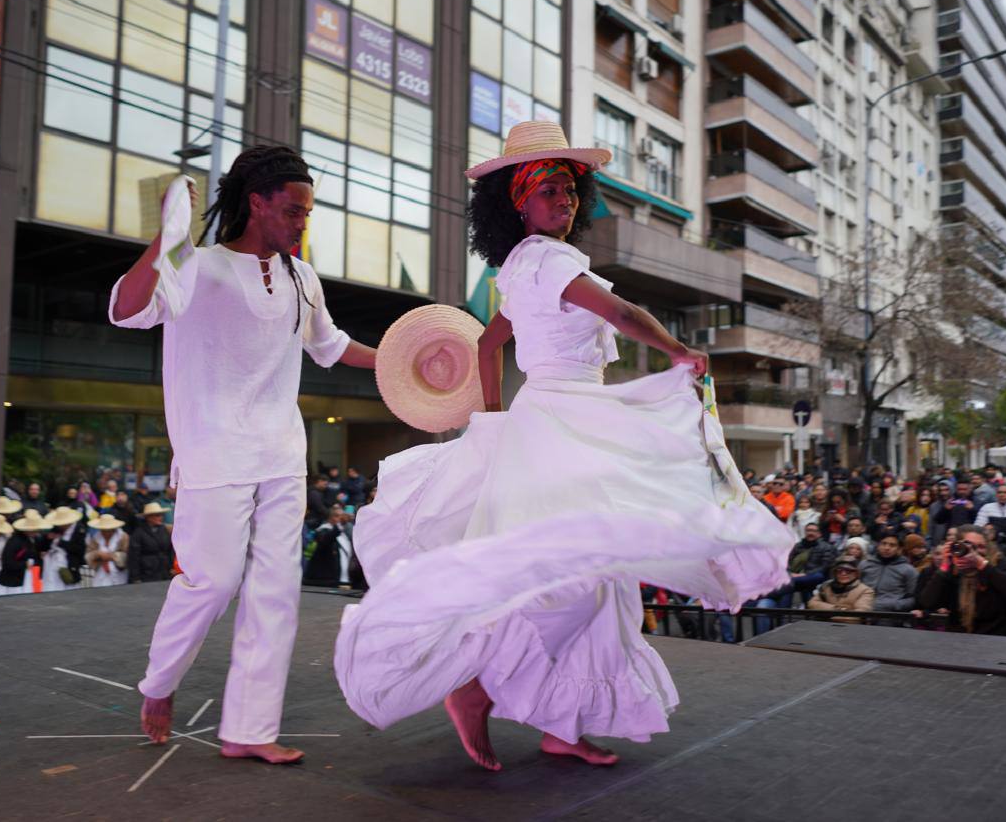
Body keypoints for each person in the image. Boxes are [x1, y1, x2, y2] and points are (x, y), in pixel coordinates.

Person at [333, 122, 793, 771]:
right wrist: (679, 351)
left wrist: (494, 422)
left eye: (571, 190)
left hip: (555, 421)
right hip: (561, 422)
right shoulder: (547, 262)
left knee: (594, 577)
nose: (566, 200)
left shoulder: (520, 268)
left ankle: (558, 723)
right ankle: (476, 685)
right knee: (573, 577)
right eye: (550, 189)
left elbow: (491, 346)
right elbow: (621, 316)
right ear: (519, 200)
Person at [109, 147, 379, 765]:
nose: (301, 223)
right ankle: (158, 685)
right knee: (213, 582)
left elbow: (331, 347)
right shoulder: (197, 264)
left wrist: (407, 357)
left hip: (283, 454)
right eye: (292, 210)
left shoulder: (300, 277)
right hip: (213, 453)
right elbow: (126, 310)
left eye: (307, 213)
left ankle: (249, 731)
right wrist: (167, 236)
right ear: (256, 203)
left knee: (276, 594)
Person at [914, 524, 1006, 636]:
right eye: (969, 545)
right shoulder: (953, 569)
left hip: (996, 638)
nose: (974, 551)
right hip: (960, 638)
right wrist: (944, 567)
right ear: (957, 547)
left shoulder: (996, 562)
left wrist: (979, 563)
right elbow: (927, 602)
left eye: (981, 546)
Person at [859, 533, 918, 613]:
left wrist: (894, 605)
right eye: (883, 544)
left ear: (899, 549)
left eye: (892, 545)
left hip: (890, 615)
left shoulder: (909, 570)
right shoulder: (864, 564)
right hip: (861, 611)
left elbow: (913, 598)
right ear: (878, 545)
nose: (887, 548)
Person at [806, 559, 874, 621]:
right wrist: (836, 609)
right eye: (839, 571)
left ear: (856, 574)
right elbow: (812, 603)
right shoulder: (826, 586)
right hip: (824, 624)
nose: (843, 574)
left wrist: (828, 614)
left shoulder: (865, 590)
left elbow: (860, 613)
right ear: (834, 573)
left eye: (848, 571)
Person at [0, 509, 47, 595]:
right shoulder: (14, 541)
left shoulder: (36, 539)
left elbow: (37, 556)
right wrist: (24, 564)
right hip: (14, 582)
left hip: (31, 578)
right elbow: (7, 562)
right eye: (33, 529)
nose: (36, 532)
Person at [41, 506, 85, 591]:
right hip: (53, 564)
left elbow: (80, 550)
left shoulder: (79, 530)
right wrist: (48, 539)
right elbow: (44, 545)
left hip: (70, 566)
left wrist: (61, 543)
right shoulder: (56, 528)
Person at [128, 502, 173, 583]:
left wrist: (172, 567)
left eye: (161, 515)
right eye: (157, 515)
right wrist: (135, 577)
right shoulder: (138, 533)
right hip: (147, 573)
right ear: (148, 517)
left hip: (165, 572)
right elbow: (134, 556)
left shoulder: (165, 530)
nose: (161, 517)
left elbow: (170, 550)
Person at [85, 513, 129, 587]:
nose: (105, 532)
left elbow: (127, 555)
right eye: (103, 529)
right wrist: (98, 554)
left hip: (119, 574)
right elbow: (88, 556)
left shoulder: (123, 537)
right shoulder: (95, 538)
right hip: (100, 574)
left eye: (107, 530)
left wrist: (111, 556)